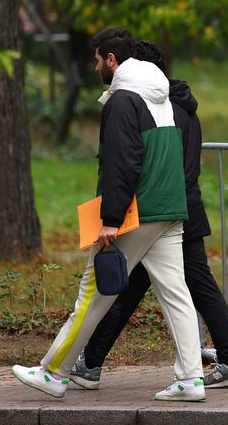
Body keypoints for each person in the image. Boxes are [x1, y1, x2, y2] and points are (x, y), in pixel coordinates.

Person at [12, 27, 206, 402]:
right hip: (169, 207)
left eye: (97, 59)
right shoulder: (159, 94)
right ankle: (191, 379)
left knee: (92, 292)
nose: (96, 65)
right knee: (176, 293)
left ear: (111, 60)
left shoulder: (122, 100)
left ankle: (54, 372)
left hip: (137, 212)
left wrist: (111, 219)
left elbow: (123, 162)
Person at [67, 40, 228, 390]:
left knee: (124, 289)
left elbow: (139, 163)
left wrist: (116, 213)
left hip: (156, 210)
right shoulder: (185, 107)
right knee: (180, 287)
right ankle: (224, 359)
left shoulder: (156, 108)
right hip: (183, 207)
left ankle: (87, 363)